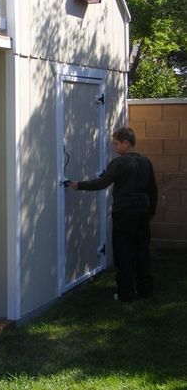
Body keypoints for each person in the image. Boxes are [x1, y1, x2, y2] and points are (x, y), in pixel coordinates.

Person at [69, 126, 158, 302]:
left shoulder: (119, 163)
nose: (114, 147)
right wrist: (150, 212)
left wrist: (79, 185)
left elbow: (102, 183)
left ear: (126, 143)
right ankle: (145, 289)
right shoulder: (146, 162)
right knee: (142, 251)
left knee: (124, 252)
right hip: (142, 213)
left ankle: (126, 293)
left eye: (116, 144)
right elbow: (153, 190)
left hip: (124, 214)